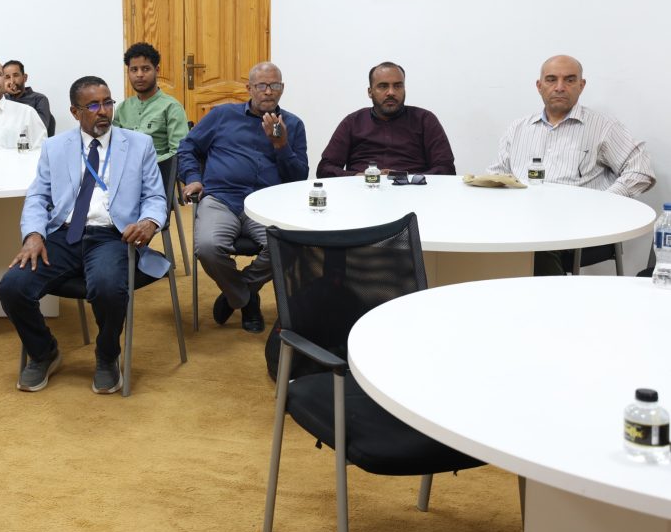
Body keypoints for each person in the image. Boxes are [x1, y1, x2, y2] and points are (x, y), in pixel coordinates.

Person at [0, 76, 168, 394]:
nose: (103, 111)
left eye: (107, 102)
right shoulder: (54, 146)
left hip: (112, 236)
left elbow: (156, 198)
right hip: (63, 234)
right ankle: (43, 351)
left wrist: (149, 222)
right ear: (75, 112)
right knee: (12, 286)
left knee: (106, 287)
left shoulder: (139, 145)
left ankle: (106, 356)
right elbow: (37, 197)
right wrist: (34, 235)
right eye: (93, 105)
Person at [487, 54, 656, 275]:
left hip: (578, 227)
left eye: (569, 80)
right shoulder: (519, 128)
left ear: (581, 85)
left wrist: (603, 202)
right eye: (551, 79)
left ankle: (551, 306)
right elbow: (499, 174)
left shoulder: (603, 127)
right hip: (523, 221)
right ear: (539, 86)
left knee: (538, 243)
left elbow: (641, 170)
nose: (559, 87)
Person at [177, 62, 308, 333]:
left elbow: (298, 179)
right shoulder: (222, 115)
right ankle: (245, 298)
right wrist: (193, 178)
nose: (269, 92)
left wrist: (281, 145)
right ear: (249, 88)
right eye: (262, 85)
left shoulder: (293, 125)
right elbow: (187, 147)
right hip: (222, 198)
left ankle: (238, 292)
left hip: (268, 204)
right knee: (207, 246)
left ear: (282, 89)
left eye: (275, 86)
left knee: (288, 248)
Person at [317, 61, 455, 177]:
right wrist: (358, 176)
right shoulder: (353, 122)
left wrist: (404, 177)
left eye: (397, 86)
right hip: (361, 192)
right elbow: (325, 169)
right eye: (383, 86)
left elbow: (446, 169)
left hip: (412, 193)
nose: (391, 92)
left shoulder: (424, 120)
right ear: (370, 92)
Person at [112, 42, 188, 161]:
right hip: (124, 173)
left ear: (157, 70)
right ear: (128, 72)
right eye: (134, 70)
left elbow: (178, 151)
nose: (139, 75)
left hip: (158, 173)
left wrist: (145, 165)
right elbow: (114, 146)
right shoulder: (122, 108)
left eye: (146, 69)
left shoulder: (171, 107)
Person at [3, 59, 55, 136]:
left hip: (30, 145)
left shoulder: (39, 99)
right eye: (7, 77)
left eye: (16, 75)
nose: (12, 81)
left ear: (25, 77)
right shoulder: (1, 99)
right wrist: (2, 91)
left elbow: (40, 128)